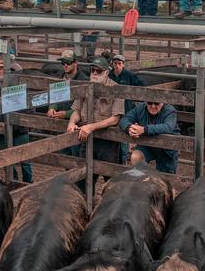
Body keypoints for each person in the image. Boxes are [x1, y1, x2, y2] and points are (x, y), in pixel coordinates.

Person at [66, 57, 125, 193]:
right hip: (86, 139)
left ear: (106, 73)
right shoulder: (85, 87)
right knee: (83, 178)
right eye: (92, 70)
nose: (94, 73)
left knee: (111, 180)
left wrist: (91, 127)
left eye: (98, 71)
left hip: (108, 142)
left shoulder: (116, 89)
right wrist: (72, 122)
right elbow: (77, 110)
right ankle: (86, 207)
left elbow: (115, 119)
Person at [119, 100, 181, 174]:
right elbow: (124, 119)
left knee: (166, 178)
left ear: (162, 102)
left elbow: (168, 127)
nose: (153, 106)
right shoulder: (140, 108)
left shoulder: (170, 111)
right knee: (136, 157)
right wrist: (129, 128)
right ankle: (140, 181)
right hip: (147, 145)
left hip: (166, 149)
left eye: (156, 103)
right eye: (150, 103)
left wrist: (144, 129)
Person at [47, 49, 89, 121]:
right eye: (63, 62)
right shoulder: (59, 76)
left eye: (68, 62)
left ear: (75, 63)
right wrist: (52, 108)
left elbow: (83, 107)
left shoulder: (84, 80)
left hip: (74, 120)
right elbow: (54, 96)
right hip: (57, 116)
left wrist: (66, 114)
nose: (65, 65)